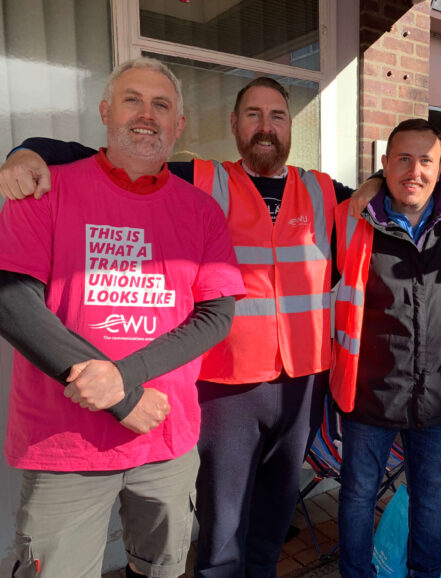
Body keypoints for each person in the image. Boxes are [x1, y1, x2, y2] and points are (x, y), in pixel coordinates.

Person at [0, 77, 375, 577]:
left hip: (302, 383)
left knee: (275, 513)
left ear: (291, 127)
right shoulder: (200, 177)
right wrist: (29, 150)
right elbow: (111, 151)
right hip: (226, 386)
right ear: (234, 125)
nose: (266, 127)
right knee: (221, 526)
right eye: (253, 115)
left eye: (277, 116)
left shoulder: (323, 189)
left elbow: (388, 195)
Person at [0, 57, 245, 578]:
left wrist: (123, 380)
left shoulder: (201, 210)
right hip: (63, 444)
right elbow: (11, 301)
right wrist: (122, 398)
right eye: (133, 99)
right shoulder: (44, 188)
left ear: (179, 126)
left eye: (162, 105)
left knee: (160, 569)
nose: (147, 114)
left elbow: (216, 315)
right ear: (106, 112)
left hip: (166, 439)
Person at [333, 119, 441, 577]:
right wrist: (370, 186)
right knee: (358, 496)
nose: (413, 170)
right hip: (368, 392)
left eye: (426, 161)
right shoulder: (350, 215)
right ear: (383, 164)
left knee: (429, 495)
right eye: (402, 159)